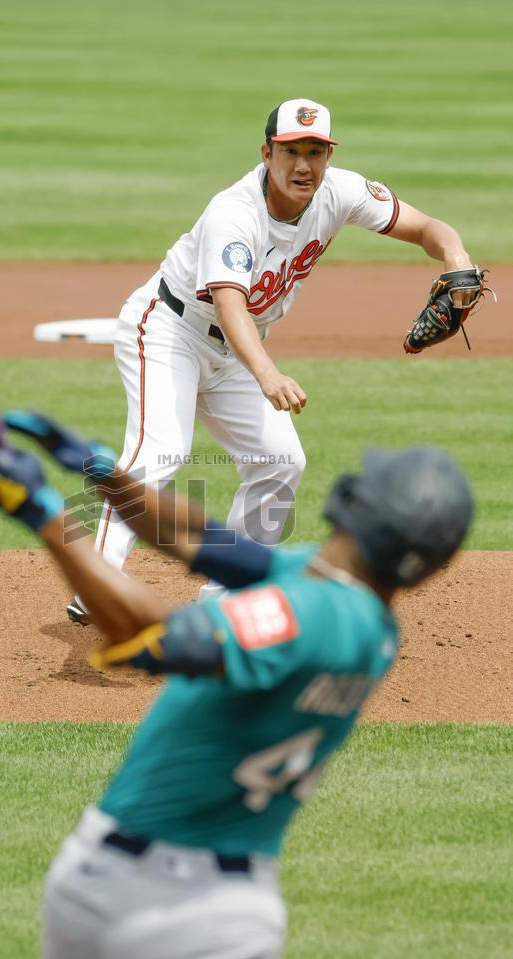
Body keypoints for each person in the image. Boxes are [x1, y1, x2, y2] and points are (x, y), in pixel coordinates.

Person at [0, 410, 474, 959]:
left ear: (358, 507)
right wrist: (101, 470)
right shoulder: (359, 615)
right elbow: (200, 541)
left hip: (118, 896)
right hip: (236, 919)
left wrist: (44, 515)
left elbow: (140, 632)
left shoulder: (310, 614)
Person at [66, 97, 477, 624]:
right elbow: (229, 301)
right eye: (290, 151)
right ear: (267, 153)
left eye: (315, 151)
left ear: (329, 154)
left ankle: (228, 597)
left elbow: (425, 227)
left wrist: (455, 253)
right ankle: (95, 579)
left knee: (281, 461)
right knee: (161, 448)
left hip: (236, 344)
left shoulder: (342, 191)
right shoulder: (233, 213)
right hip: (169, 329)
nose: (303, 165)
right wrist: (267, 373)